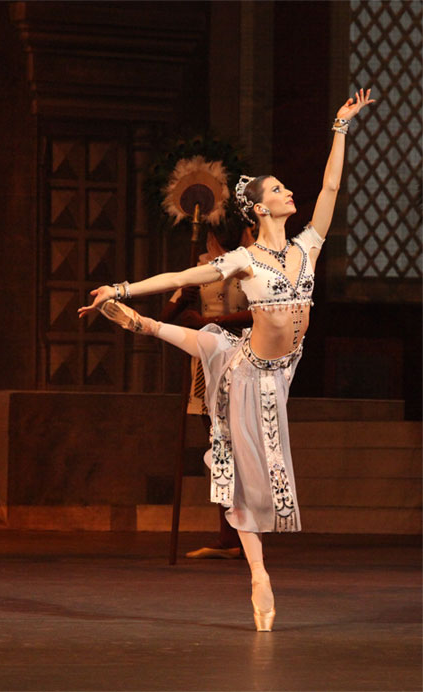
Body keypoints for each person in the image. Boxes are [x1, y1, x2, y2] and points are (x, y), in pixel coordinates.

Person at [79, 89, 375, 631]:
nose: (291, 193)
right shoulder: (241, 260)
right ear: (261, 206)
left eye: (287, 187)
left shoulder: (308, 244)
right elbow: (178, 278)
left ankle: (141, 324)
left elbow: (333, 185)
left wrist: (340, 125)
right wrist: (122, 285)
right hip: (247, 378)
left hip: (281, 376)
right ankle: (259, 575)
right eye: (280, 189)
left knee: (211, 346)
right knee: (242, 475)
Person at [160, 224, 254, 560]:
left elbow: (261, 315)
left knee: (238, 447)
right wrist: (184, 299)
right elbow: (166, 316)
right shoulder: (200, 268)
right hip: (206, 361)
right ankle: (229, 536)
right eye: (218, 234)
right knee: (218, 446)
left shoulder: (252, 265)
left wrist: (208, 323)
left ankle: (241, 532)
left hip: (241, 357)